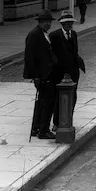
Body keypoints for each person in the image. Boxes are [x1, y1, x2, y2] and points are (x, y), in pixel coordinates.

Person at [23, 9, 59, 140]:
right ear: (40, 22)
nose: (48, 25)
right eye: (46, 22)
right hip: (42, 76)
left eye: (49, 22)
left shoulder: (43, 33)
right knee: (47, 103)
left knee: (42, 102)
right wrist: (35, 76)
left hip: (47, 74)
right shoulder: (34, 34)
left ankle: (36, 128)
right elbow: (29, 57)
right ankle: (43, 131)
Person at [49, 10, 86, 131]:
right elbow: (51, 53)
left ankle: (68, 120)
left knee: (72, 97)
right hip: (60, 72)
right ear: (61, 24)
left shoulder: (74, 34)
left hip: (73, 71)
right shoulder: (54, 35)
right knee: (58, 98)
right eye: (66, 23)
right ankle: (56, 122)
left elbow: (75, 52)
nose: (69, 25)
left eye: (70, 22)